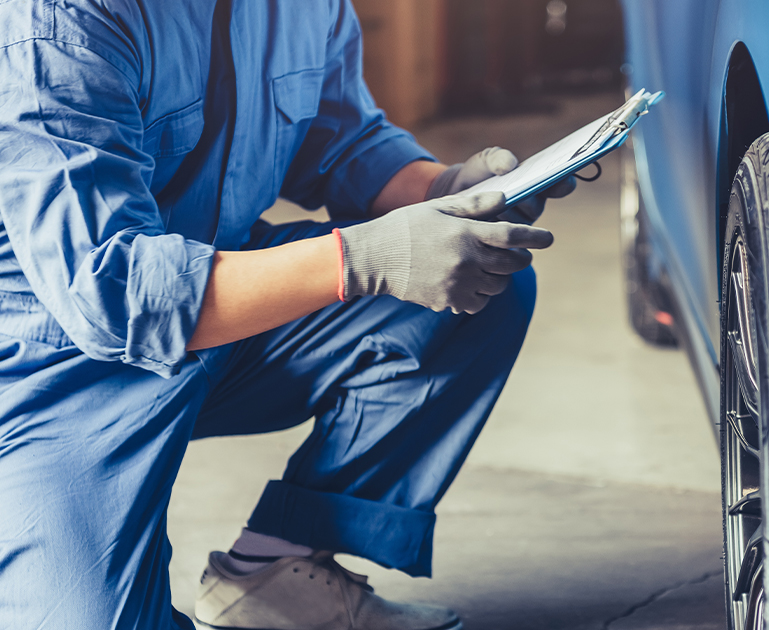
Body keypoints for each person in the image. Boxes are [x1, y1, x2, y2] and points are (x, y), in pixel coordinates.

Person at [0, 1, 576, 629]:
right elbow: (111, 292)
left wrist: (450, 193)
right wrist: (359, 258)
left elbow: (346, 142)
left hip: (229, 309)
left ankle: (276, 577)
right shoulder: (59, 21)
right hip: (56, 367)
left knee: (476, 291)